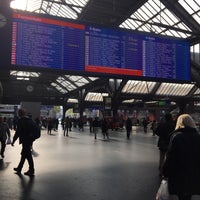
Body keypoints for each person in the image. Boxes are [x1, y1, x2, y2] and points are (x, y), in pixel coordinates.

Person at [163, 114, 200, 200]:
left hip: (179, 173)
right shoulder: (198, 137)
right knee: (189, 195)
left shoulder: (177, 137)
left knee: (181, 195)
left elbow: (171, 157)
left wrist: (165, 171)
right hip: (194, 173)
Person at [11, 108, 35, 176]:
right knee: (24, 155)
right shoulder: (29, 120)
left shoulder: (21, 121)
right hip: (29, 140)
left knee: (28, 156)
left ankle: (31, 170)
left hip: (25, 140)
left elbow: (18, 132)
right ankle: (19, 168)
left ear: (19, 114)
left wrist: (13, 141)